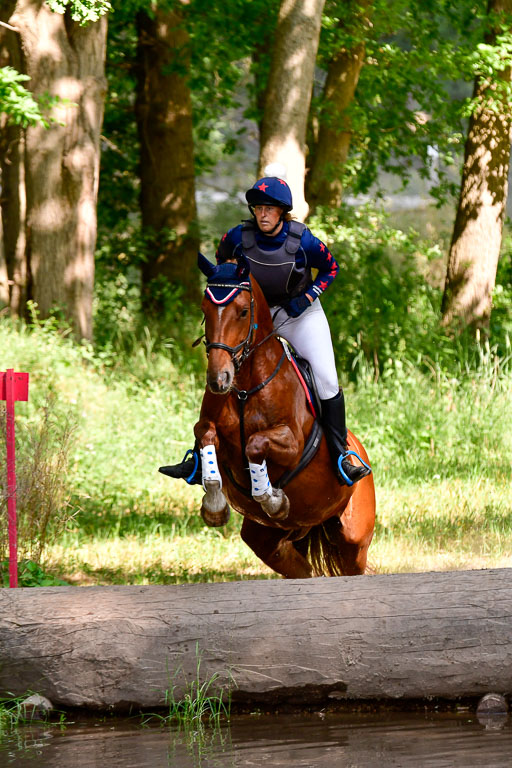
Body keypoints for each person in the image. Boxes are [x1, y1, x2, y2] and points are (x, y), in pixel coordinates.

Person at [160, 170, 371, 487]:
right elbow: (223, 268)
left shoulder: (303, 241)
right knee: (222, 370)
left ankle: (341, 456)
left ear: (282, 212)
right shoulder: (236, 238)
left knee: (327, 380)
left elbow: (331, 268)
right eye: (258, 208)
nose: (262, 214)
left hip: (299, 315)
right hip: (252, 315)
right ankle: (198, 459)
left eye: (269, 209)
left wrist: (307, 297)